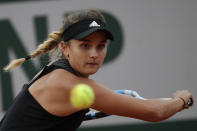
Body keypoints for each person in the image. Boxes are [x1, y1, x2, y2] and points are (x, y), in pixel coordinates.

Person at [0, 9, 194, 131]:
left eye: (101, 46)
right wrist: (182, 99)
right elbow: (155, 112)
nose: (94, 54)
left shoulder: (52, 71)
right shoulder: (67, 84)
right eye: (85, 45)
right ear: (65, 49)